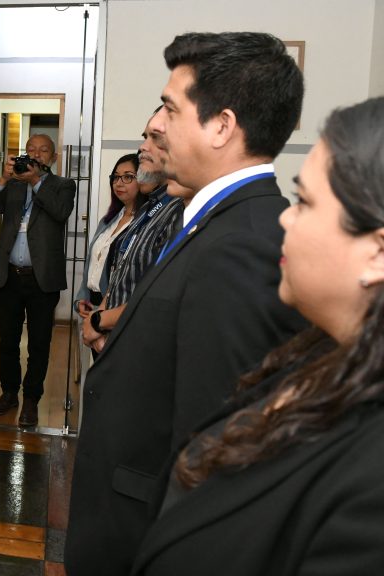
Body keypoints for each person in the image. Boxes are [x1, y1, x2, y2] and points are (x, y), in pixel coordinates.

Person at [65, 31, 308, 575]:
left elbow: (214, 450)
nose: (158, 125)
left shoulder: (242, 245)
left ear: (221, 126)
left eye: (171, 109)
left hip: (150, 535)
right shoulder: (214, 222)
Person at [132, 96, 384, 575]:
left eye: (305, 203)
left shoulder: (372, 483)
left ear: (377, 253)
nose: (285, 217)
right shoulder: (317, 359)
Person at [0, 134, 76, 427]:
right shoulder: (13, 184)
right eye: (31, 149)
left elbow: (60, 212)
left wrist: (35, 181)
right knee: (8, 341)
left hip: (42, 279)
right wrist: (3, 178)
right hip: (10, 275)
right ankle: (9, 393)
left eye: (43, 150)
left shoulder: (63, 185)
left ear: (53, 157)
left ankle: (32, 399)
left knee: (39, 343)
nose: (36, 154)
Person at [81, 115, 186, 353]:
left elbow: (158, 295)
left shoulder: (177, 210)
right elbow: (121, 272)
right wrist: (98, 317)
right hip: (111, 328)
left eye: (155, 138)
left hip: (136, 339)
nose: (143, 148)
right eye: (145, 138)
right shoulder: (148, 210)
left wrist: (99, 322)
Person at [74, 154, 142, 352]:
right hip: (93, 306)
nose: (119, 183)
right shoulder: (108, 220)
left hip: (117, 311)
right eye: (116, 177)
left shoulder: (144, 224)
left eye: (128, 177)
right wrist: (82, 299)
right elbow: (92, 263)